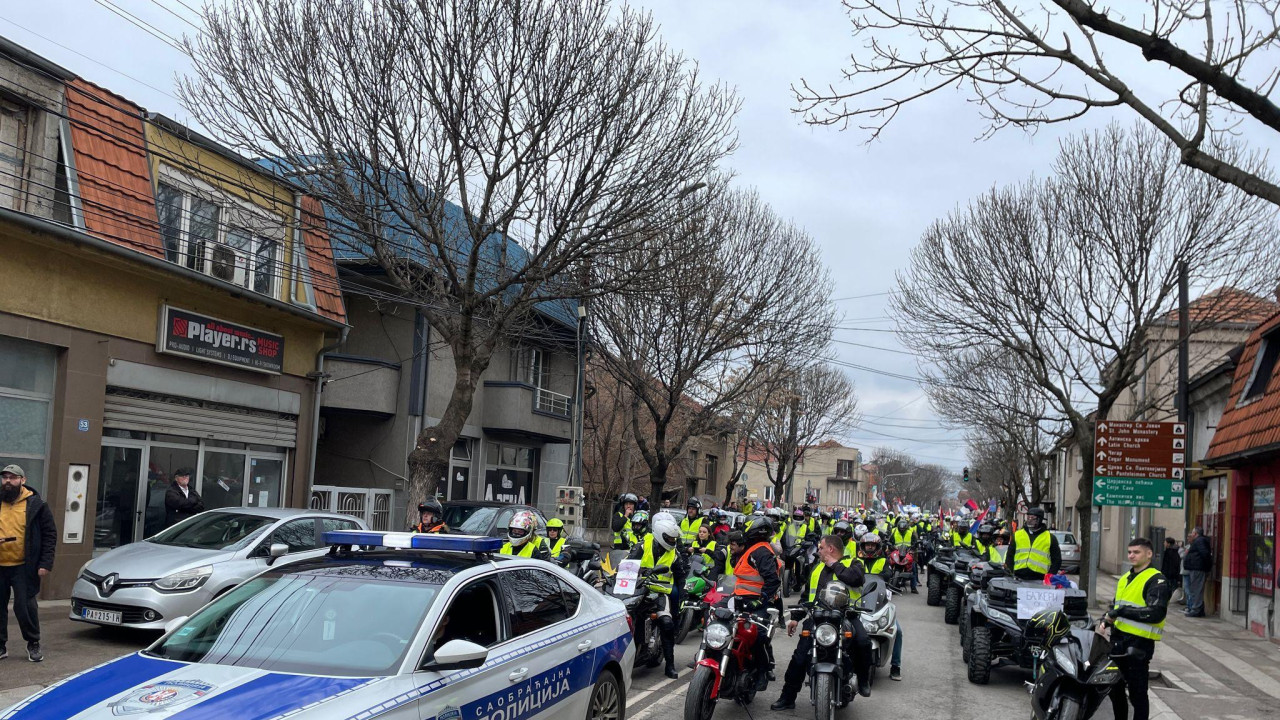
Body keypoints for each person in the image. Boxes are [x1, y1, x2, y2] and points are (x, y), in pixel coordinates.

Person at [771, 534, 873, 710]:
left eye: (821, 548)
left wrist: (833, 564)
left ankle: (863, 681)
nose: (818, 551)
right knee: (799, 657)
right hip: (818, 617)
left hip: (847, 616)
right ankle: (787, 697)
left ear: (830, 549)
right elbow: (806, 596)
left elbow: (855, 579)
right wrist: (795, 618)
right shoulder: (817, 568)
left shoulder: (854, 563)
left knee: (863, 642)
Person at [1105, 537, 1171, 720]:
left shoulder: (1157, 580)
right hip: (1118, 640)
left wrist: (1121, 612)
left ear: (1148, 554)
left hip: (1139, 644)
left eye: (1136, 552)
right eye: (1129, 552)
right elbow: (1116, 605)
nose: (1131, 555)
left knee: (1137, 693)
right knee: (1114, 688)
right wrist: (1106, 620)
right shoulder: (1125, 577)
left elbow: (1156, 612)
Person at [0, 465, 56, 663]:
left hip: (24, 565)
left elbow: (50, 534)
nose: (8, 481)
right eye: (5, 477)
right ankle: (1, 645)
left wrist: (45, 563)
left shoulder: (36, 504)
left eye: (13, 478)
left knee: (24, 607)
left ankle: (33, 642)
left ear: (22, 480)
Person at [627, 512, 687, 678]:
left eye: (674, 539)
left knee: (667, 624)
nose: (673, 542)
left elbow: (681, 577)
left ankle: (670, 665)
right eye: (670, 539)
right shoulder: (643, 545)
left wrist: (682, 595)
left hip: (660, 594)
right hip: (638, 590)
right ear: (661, 536)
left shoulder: (674, 554)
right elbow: (628, 563)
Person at [724, 517, 781, 691]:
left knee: (758, 637)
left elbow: (773, 580)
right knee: (715, 619)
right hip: (739, 598)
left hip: (756, 602)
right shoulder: (752, 549)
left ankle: (763, 671)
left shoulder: (762, 551)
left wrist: (761, 599)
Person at [857, 532, 906, 680]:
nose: (870, 548)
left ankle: (895, 666)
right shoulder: (856, 561)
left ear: (878, 547)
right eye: (867, 545)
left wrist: (887, 580)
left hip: (878, 600)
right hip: (858, 600)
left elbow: (887, 575)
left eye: (872, 545)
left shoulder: (884, 561)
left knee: (898, 631)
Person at [1007, 507, 1061, 580]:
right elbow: (1009, 556)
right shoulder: (1018, 535)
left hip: (1040, 578)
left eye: (1033, 518)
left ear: (1040, 520)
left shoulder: (1050, 538)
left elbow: (1056, 560)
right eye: (1028, 518)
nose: (1030, 520)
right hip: (1018, 577)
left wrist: (1049, 576)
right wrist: (1010, 573)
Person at [1183, 527, 1212, 618]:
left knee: (1197, 589)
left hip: (1198, 568)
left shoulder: (1200, 541)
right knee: (1196, 589)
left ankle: (1196, 609)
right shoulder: (1199, 541)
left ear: (1195, 534)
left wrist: (1205, 566)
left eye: (1192, 532)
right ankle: (1198, 609)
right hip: (1196, 568)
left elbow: (1205, 554)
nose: (1191, 534)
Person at [890, 516, 918, 593]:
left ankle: (913, 587)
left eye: (903, 529)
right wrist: (890, 545)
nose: (902, 530)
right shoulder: (894, 531)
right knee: (887, 563)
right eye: (900, 528)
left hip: (907, 551)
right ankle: (885, 582)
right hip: (896, 550)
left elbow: (915, 541)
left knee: (913, 567)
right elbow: (890, 540)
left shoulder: (911, 532)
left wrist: (914, 546)